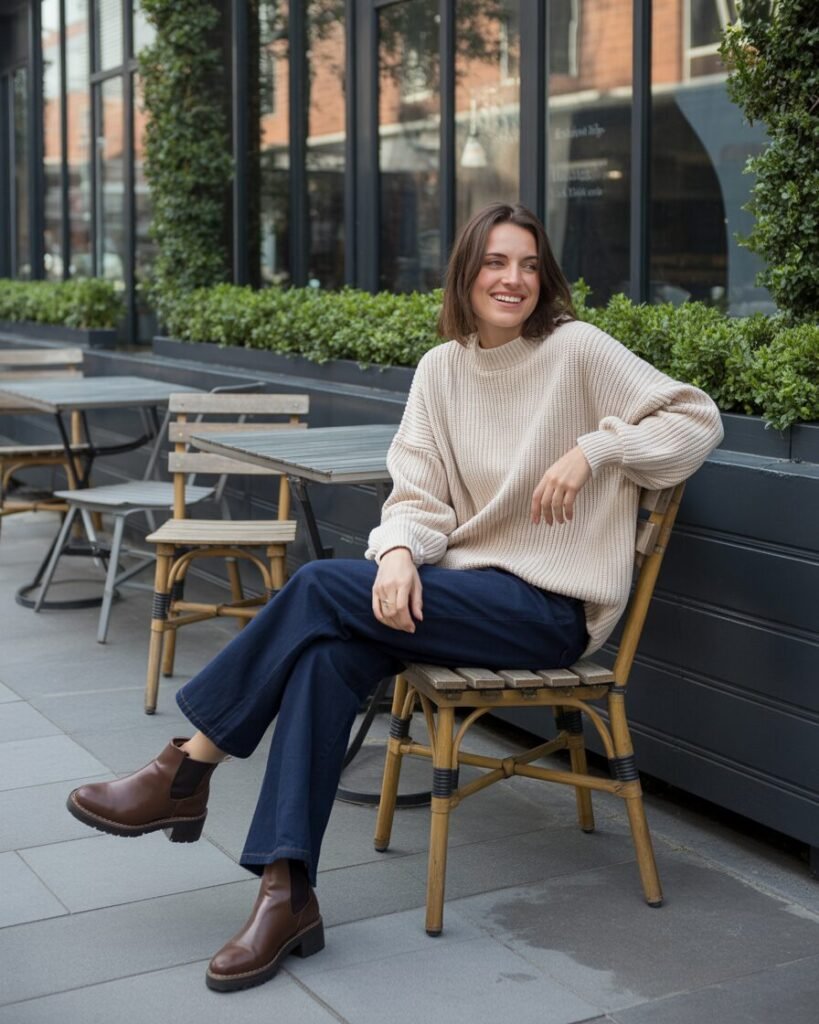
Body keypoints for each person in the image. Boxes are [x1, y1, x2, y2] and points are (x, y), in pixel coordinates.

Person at [66, 202, 724, 993]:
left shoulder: (575, 351)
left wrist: (594, 447)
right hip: (460, 595)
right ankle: (285, 891)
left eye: (525, 264)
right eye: (494, 263)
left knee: (313, 585)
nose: (511, 279)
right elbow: (415, 495)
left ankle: (188, 767)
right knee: (327, 654)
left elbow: (696, 420)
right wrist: (401, 554)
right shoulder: (440, 370)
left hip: (543, 613)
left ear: (542, 277)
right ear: (466, 273)